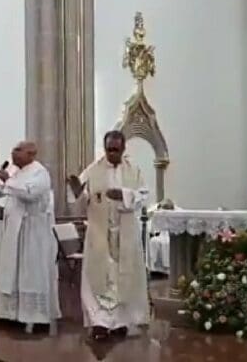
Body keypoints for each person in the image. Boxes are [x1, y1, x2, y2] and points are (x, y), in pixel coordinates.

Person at [0, 141, 61, 334]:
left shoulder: (40, 172)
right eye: (13, 149)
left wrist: (8, 180)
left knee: (31, 273)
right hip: (14, 227)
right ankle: (11, 315)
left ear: (31, 153)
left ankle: (37, 318)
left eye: (18, 150)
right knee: (11, 273)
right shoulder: (15, 171)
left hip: (33, 230)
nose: (13, 153)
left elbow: (30, 194)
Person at [67, 130, 150, 341]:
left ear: (123, 149)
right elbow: (81, 196)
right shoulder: (94, 169)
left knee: (123, 278)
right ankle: (100, 323)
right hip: (99, 232)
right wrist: (77, 190)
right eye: (109, 149)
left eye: (116, 149)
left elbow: (143, 195)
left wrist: (124, 195)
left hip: (125, 233)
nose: (112, 153)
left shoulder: (134, 170)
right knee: (99, 278)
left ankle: (120, 321)